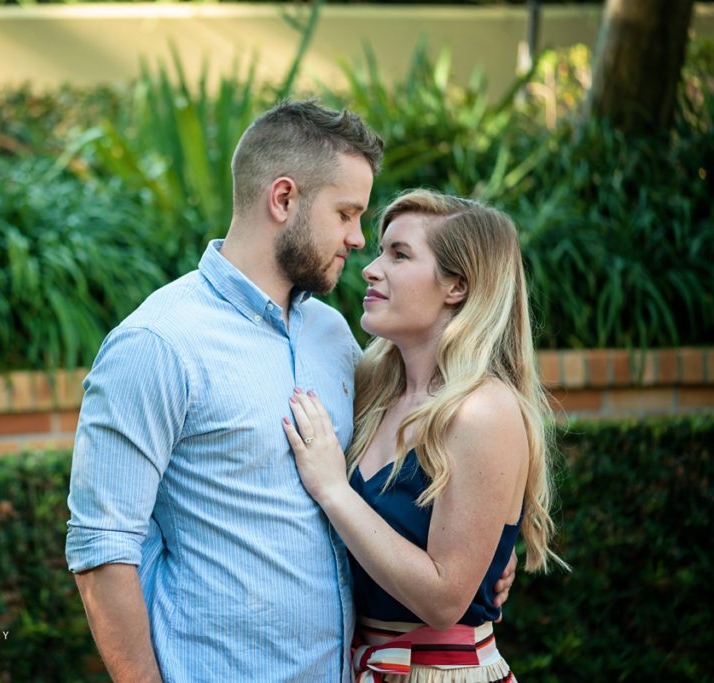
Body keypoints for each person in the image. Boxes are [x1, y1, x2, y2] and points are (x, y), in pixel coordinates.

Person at [65, 101, 513, 682]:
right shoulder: (158, 343)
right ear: (283, 199)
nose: (358, 240)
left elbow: (407, 487)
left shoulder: (334, 336)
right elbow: (103, 549)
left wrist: (488, 560)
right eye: (347, 213)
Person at [283, 189, 567, 683]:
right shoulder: (368, 388)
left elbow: (443, 600)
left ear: (456, 285)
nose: (370, 268)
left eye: (399, 255)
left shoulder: (484, 410)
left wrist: (332, 490)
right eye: (379, 251)